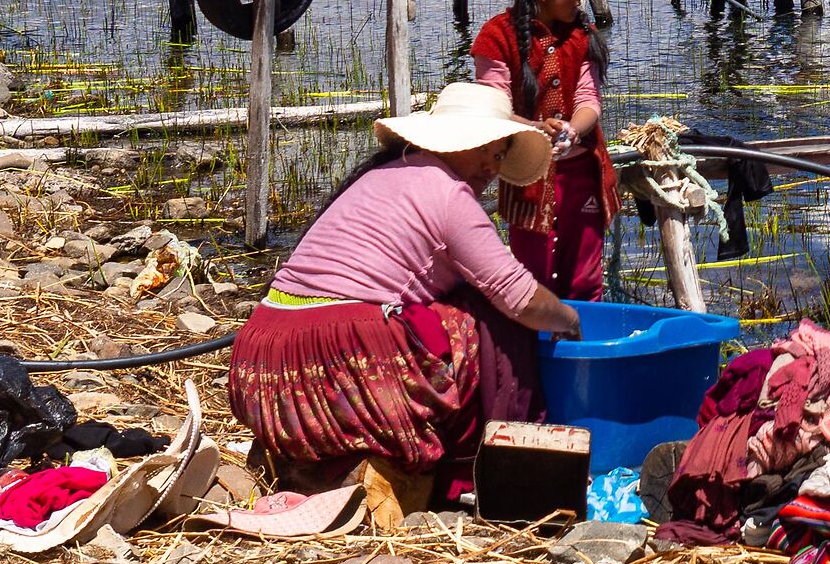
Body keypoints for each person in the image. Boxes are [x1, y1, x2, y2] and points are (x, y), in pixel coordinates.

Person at [226, 83, 583, 510]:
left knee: (449, 304)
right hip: (333, 358)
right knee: (490, 321)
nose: (492, 165)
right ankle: (469, 470)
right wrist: (569, 319)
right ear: (450, 142)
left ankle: (306, 452)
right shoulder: (449, 195)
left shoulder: (380, 175)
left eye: (501, 153)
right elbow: (518, 298)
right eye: (484, 148)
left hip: (260, 364)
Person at [470, 0, 618, 300]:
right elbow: (495, 108)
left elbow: (588, 100)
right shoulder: (497, 36)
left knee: (584, 280)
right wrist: (536, 129)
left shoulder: (583, 34)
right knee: (533, 280)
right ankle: (537, 353)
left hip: (583, 173)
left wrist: (572, 128)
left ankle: (581, 352)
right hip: (528, 176)